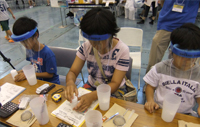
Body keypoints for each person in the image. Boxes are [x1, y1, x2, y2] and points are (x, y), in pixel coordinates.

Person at [65, 8, 130, 112]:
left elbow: (115, 83)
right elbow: (73, 71)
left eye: (99, 41)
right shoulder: (86, 47)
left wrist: (92, 96)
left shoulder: (122, 50)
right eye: (91, 40)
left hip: (113, 90)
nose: (95, 45)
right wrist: (70, 83)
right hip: (92, 87)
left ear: (111, 35)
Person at [143, 23, 200, 117]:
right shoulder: (161, 68)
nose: (187, 61)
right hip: (160, 110)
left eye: (191, 58)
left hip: (185, 114)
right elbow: (150, 86)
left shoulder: (198, 74)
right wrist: (150, 101)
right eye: (182, 56)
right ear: (172, 51)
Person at [146, 0, 200, 74]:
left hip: (186, 26)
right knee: (155, 54)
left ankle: (175, 82)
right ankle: (149, 80)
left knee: (180, 60)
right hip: (166, 23)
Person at [11, 16, 60, 84]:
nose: (24, 45)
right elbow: (33, 63)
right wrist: (23, 71)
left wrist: (29, 74)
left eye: (26, 41)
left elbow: (50, 74)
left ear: (36, 35)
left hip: (51, 84)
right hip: (37, 82)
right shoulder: (29, 49)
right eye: (22, 42)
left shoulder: (47, 53)